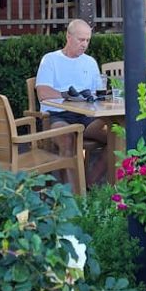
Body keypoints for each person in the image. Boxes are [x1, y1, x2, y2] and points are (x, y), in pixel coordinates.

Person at [35, 19, 108, 188]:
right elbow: (43, 93)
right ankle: (73, 198)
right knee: (68, 140)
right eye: (80, 40)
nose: (84, 44)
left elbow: (97, 92)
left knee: (118, 135)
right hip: (57, 115)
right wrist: (67, 95)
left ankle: (88, 184)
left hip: (86, 116)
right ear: (68, 36)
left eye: (88, 40)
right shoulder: (51, 60)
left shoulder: (90, 62)